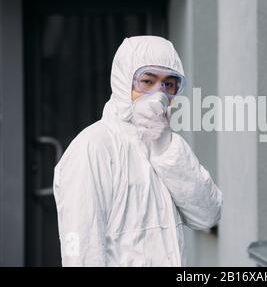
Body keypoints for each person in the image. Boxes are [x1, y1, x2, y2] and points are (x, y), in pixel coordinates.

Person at [53, 36, 223, 267]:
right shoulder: (93, 147)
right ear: (124, 81)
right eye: (147, 80)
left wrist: (166, 150)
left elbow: (207, 215)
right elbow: (82, 252)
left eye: (168, 84)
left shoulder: (170, 145)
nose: (159, 93)